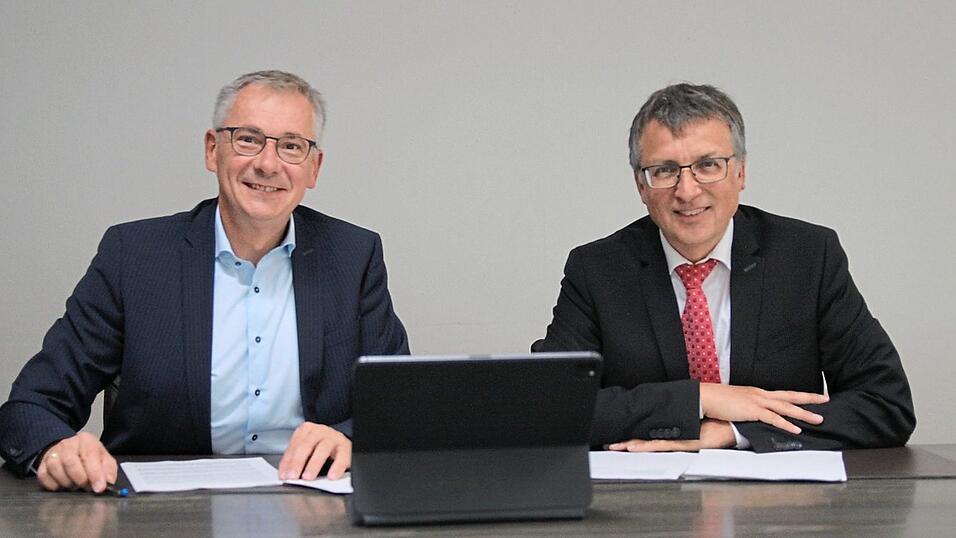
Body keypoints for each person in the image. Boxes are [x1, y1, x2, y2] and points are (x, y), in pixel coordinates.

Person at [0, 70, 409, 491]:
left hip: (315, 506)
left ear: (313, 168)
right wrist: (56, 449)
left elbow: (400, 405)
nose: (267, 164)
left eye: (291, 146)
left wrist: (346, 436)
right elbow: (29, 406)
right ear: (213, 150)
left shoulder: (353, 256)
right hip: (161, 515)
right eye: (248, 139)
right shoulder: (135, 256)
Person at [534, 83, 915, 452]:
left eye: (708, 165)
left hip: (779, 508)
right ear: (641, 185)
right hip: (648, 504)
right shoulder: (598, 271)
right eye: (665, 170)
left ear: (741, 173)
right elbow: (549, 406)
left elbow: (886, 405)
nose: (687, 190)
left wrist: (734, 431)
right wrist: (700, 398)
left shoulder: (807, 257)